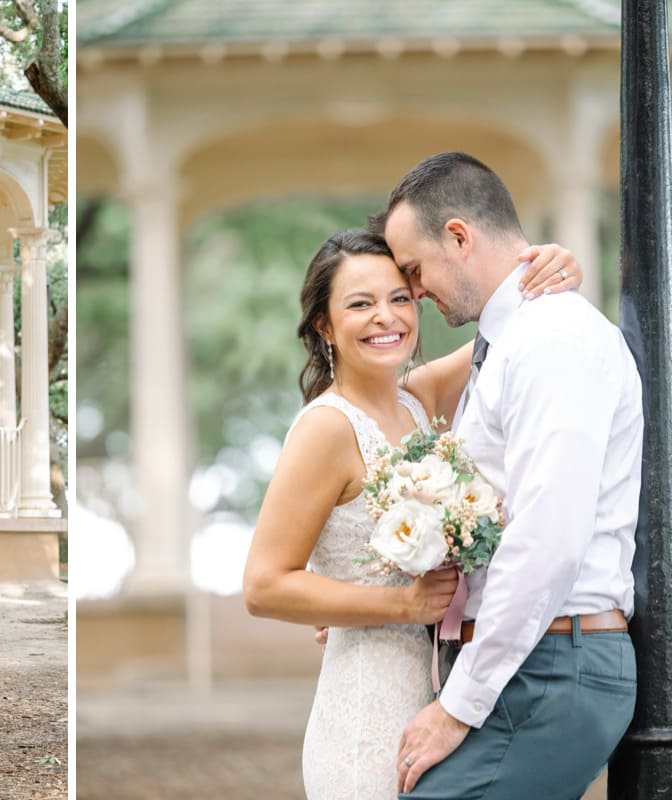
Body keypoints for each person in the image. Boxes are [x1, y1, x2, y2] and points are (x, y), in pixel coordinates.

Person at [242, 228, 582, 799]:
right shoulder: (325, 428)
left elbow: (507, 325)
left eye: (400, 298)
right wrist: (397, 602)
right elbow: (263, 586)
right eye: (360, 304)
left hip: (437, 697)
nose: (387, 317)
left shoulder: (417, 400)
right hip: (364, 717)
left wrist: (552, 265)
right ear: (323, 325)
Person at [378, 152, 642, 799]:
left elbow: (547, 540)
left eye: (413, 272)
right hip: (532, 659)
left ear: (460, 237)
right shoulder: (509, 343)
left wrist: (457, 707)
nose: (413, 295)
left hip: (554, 664)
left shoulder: (551, 339)